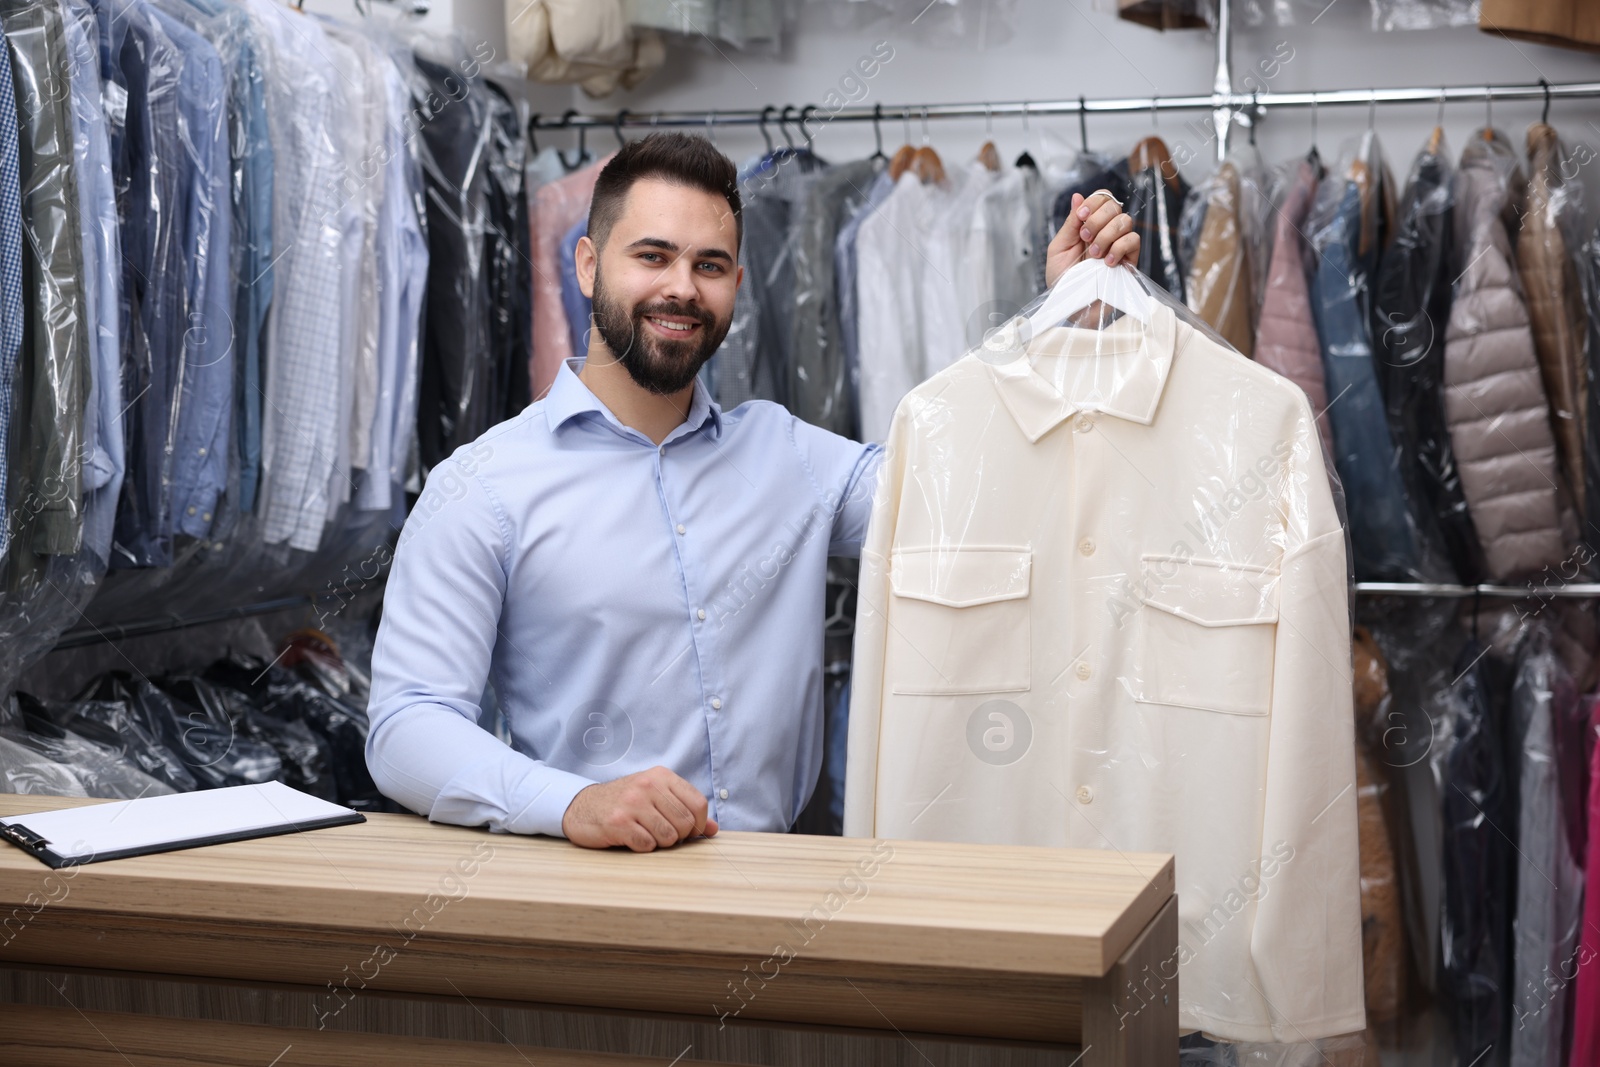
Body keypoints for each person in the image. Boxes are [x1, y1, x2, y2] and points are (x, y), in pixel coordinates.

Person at [366, 133, 1140, 851]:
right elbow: (405, 728)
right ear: (587, 265)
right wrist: (573, 803)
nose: (681, 288)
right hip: (590, 914)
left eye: (708, 266)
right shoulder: (480, 485)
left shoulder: (790, 456)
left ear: (737, 284)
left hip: (780, 897)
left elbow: (967, 490)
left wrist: (1061, 319)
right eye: (653, 256)